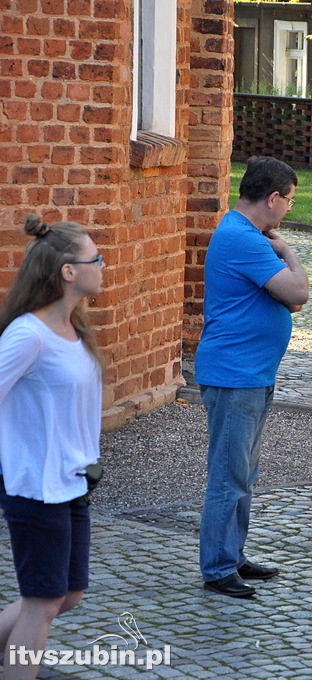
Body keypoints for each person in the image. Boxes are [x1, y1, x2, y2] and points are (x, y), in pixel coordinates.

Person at [195, 156, 309, 598]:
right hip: (234, 375)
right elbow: (298, 292)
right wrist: (290, 253)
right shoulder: (244, 239)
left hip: (251, 373)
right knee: (229, 473)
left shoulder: (246, 236)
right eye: (290, 201)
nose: (289, 210)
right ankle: (218, 566)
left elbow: (291, 303)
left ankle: (232, 554)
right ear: (274, 198)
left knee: (243, 471)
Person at [0, 215, 104, 679]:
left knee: (67, 594)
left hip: (72, 482)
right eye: (94, 258)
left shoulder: (74, 329)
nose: (103, 264)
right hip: (36, 488)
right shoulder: (28, 335)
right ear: (68, 271)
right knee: (42, 604)